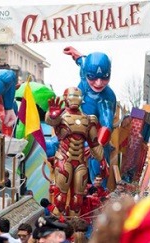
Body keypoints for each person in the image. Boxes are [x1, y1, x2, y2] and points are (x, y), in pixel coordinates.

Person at [45, 87, 108, 216]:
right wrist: (52, 115)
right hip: (63, 158)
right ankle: (57, 226)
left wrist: (102, 160)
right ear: (65, 98)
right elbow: (51, 120)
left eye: (78, 97)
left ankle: (75, 229)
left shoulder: (88, 119)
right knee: (60, 198)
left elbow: (94, 143)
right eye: (73, 96)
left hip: (80, 162)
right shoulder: (60, 116)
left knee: (78, 200)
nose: (76, 99)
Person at [64, 47, 116, 187]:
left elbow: (107, 125)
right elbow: (83, 62)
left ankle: (99, 191)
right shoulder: (84, 73)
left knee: (97, 160)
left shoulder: (106, 99)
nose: (98, 83)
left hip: (95, 137)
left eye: (105, 77)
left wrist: (97, 145)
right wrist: (77, 56)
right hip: (76, 130)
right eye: (92, 77)